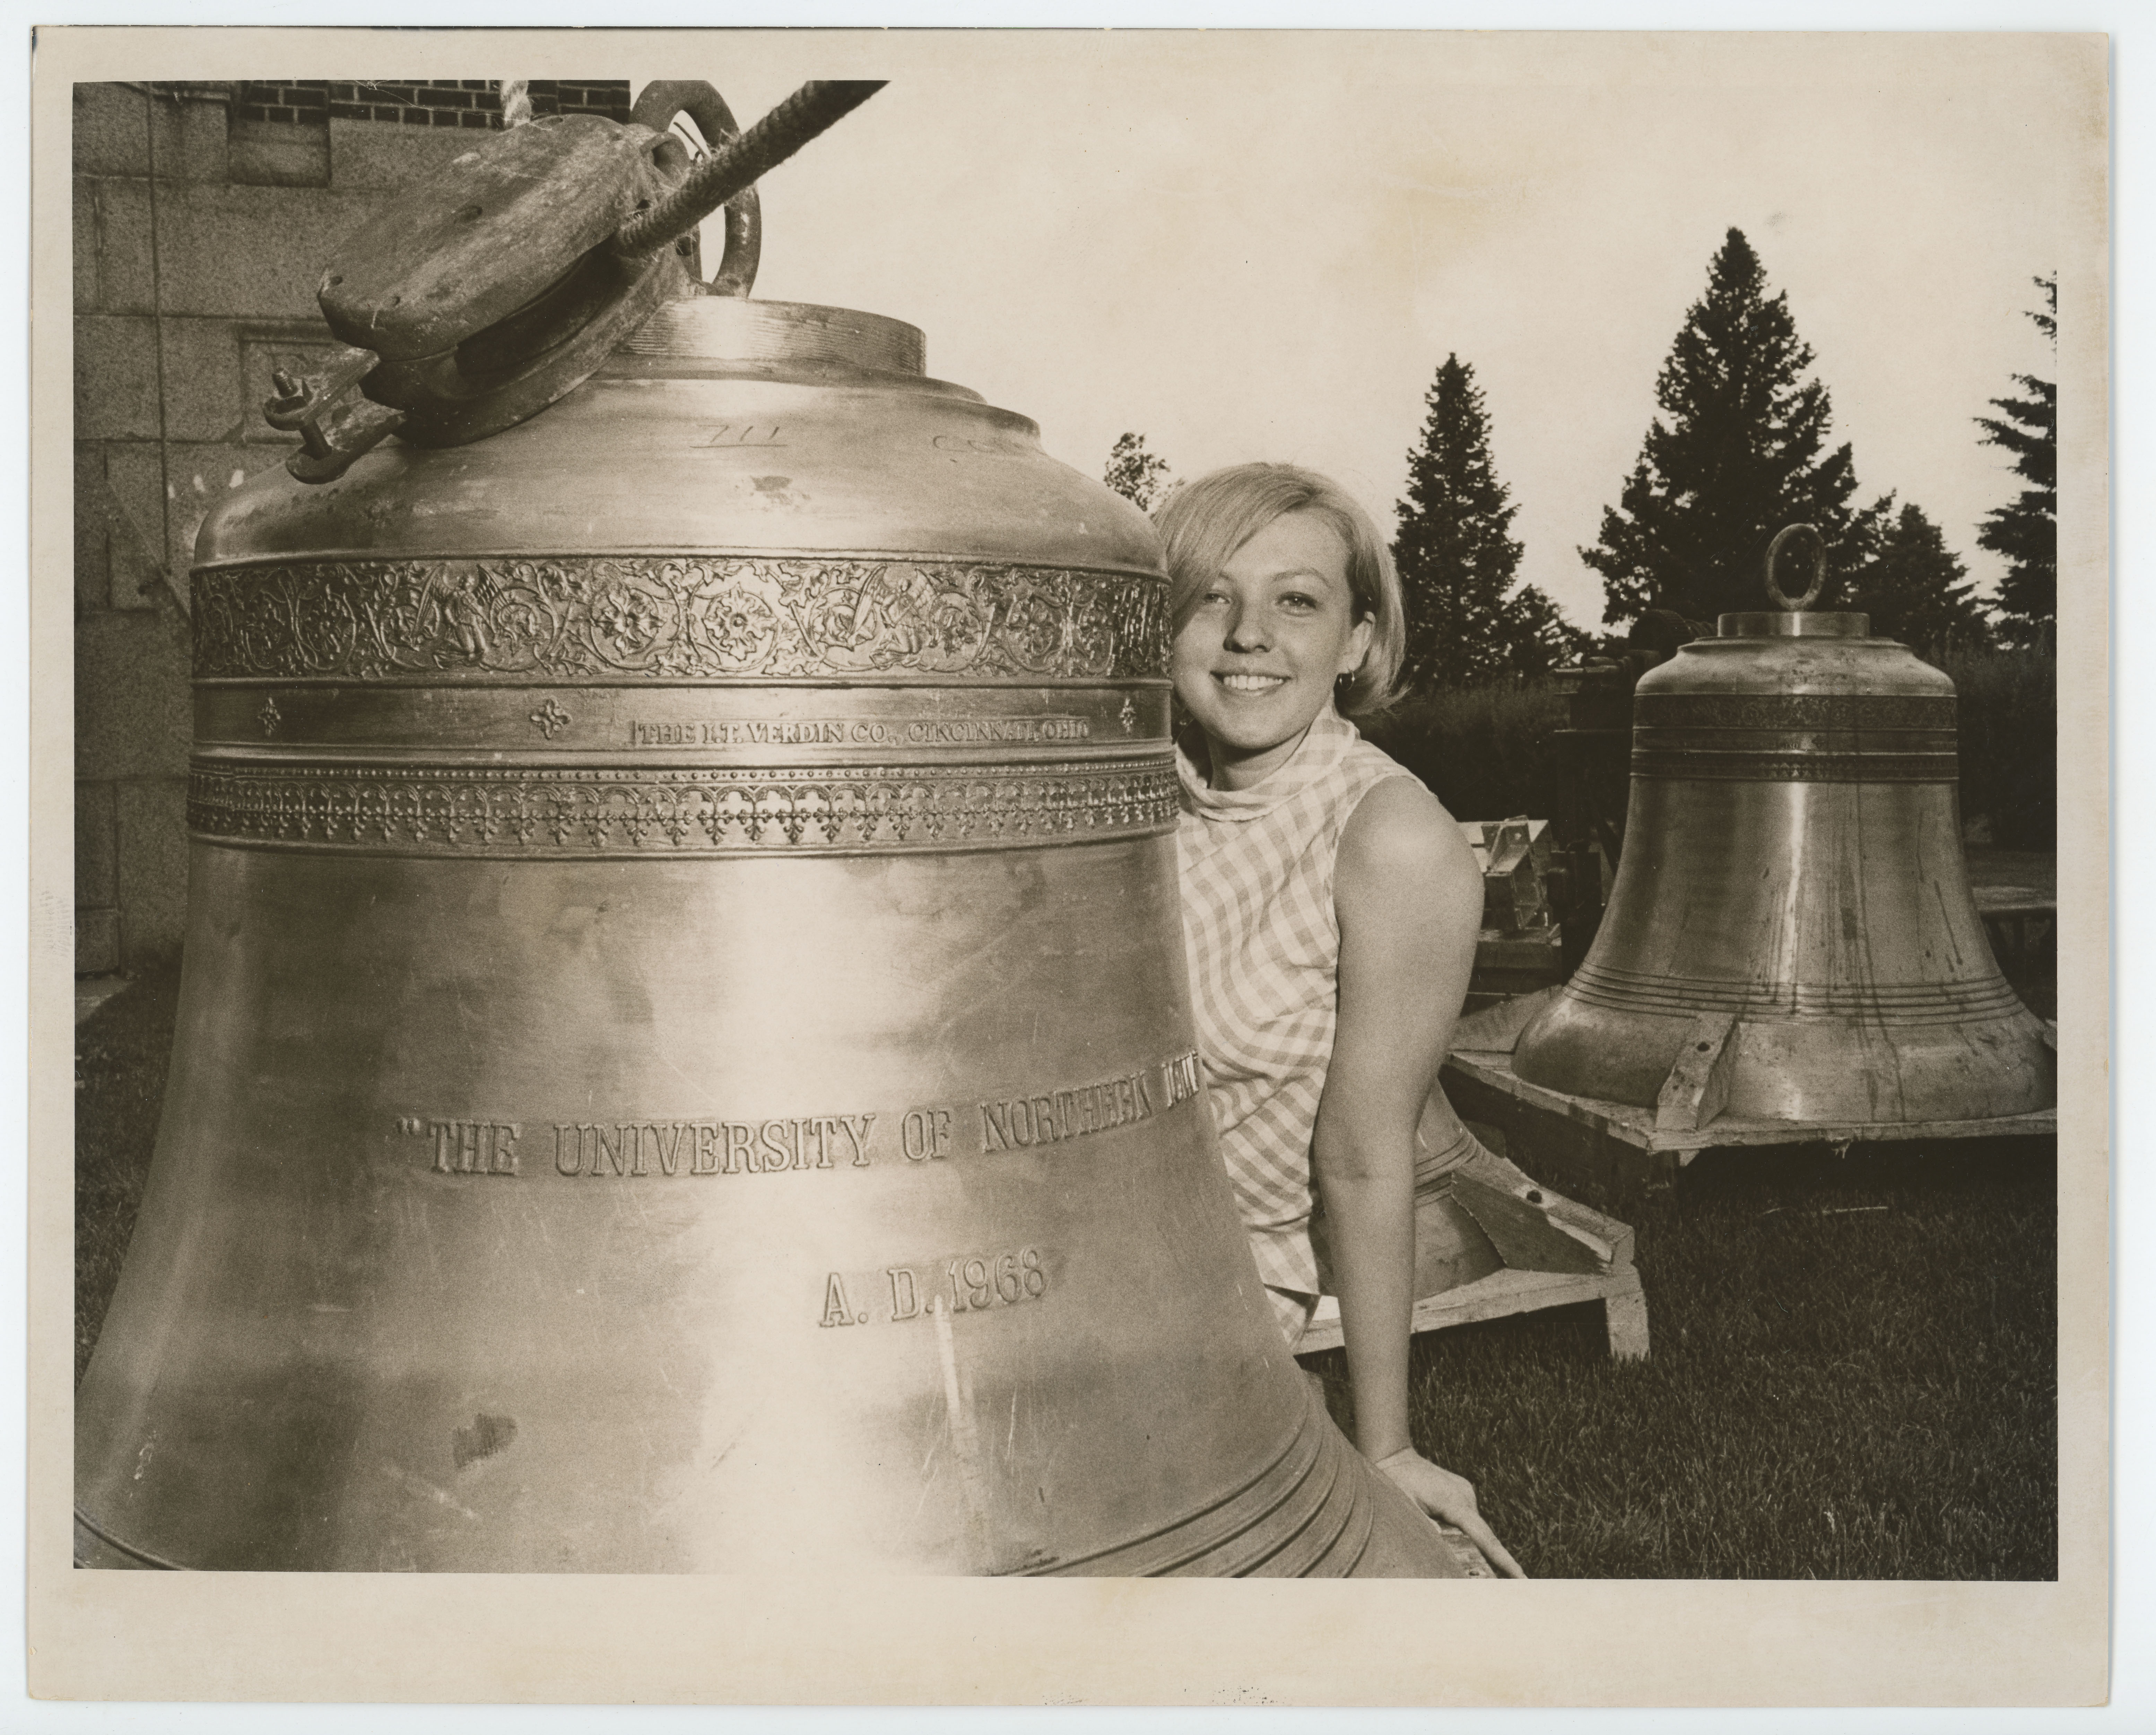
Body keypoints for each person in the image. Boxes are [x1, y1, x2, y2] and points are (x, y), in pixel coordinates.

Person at [1160, 462, 1526, 1579]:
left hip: (1225, 1295)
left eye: (1297, 600)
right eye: (1210, 596)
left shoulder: (1389, 836)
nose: (1246, 636)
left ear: (1360, 641)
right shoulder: (1130, 788)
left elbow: (1367, 1157)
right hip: (1067, 1257)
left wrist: (1387, 1448)